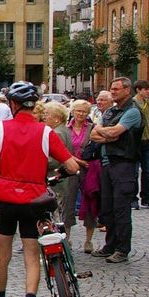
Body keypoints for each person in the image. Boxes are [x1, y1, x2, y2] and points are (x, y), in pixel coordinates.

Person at [0, 81, 81, 297]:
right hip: (34, 200)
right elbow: (71, 165)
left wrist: (0, 177)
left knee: (3, 252)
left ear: (12, 104)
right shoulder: (46, 132)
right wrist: (52, 176)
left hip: (6, 200)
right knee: (32, 255)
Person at [90, 77, 142, 264]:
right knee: (107, 208)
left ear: (127, 90)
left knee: (121, 209)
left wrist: (107, 133)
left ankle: (122, 248)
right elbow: (94, 134)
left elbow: (114, 132)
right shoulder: (111, 111)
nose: (113, 92)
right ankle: (109, 245)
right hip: (107, 163)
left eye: (116, 89)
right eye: (111, 89)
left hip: (123, 164)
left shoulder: (132, 111)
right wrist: (108, 135)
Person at [43, 102, 77, 240]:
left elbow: (55, 159)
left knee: (56, 214)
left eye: (47, 115)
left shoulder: (57, 133)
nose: (44, 117)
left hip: (56, 178)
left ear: (57, 118)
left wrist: (37, 161)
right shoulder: (64, 130)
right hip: (62, 178)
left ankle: (59, 242)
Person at [68, 99, 99, 253]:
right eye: (78, 111)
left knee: (90, 202)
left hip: (88, 169)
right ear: (72, 111)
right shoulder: (66, 128)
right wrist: (77, 161)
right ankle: (66, 238)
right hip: (70, 169)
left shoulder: (92, 128)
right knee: (68, 203)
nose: (80, 114)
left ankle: (89, 240)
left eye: (84, 111)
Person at [133, 80, 149, 210]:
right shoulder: (132, 103)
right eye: (145, 89)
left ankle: (146, 198)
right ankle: (133, 199)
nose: (148, 91)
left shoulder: (148, 103)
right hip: (136, 142)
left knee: (147, 171)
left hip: (146, 140)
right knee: (135, 172)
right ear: (138, 90)